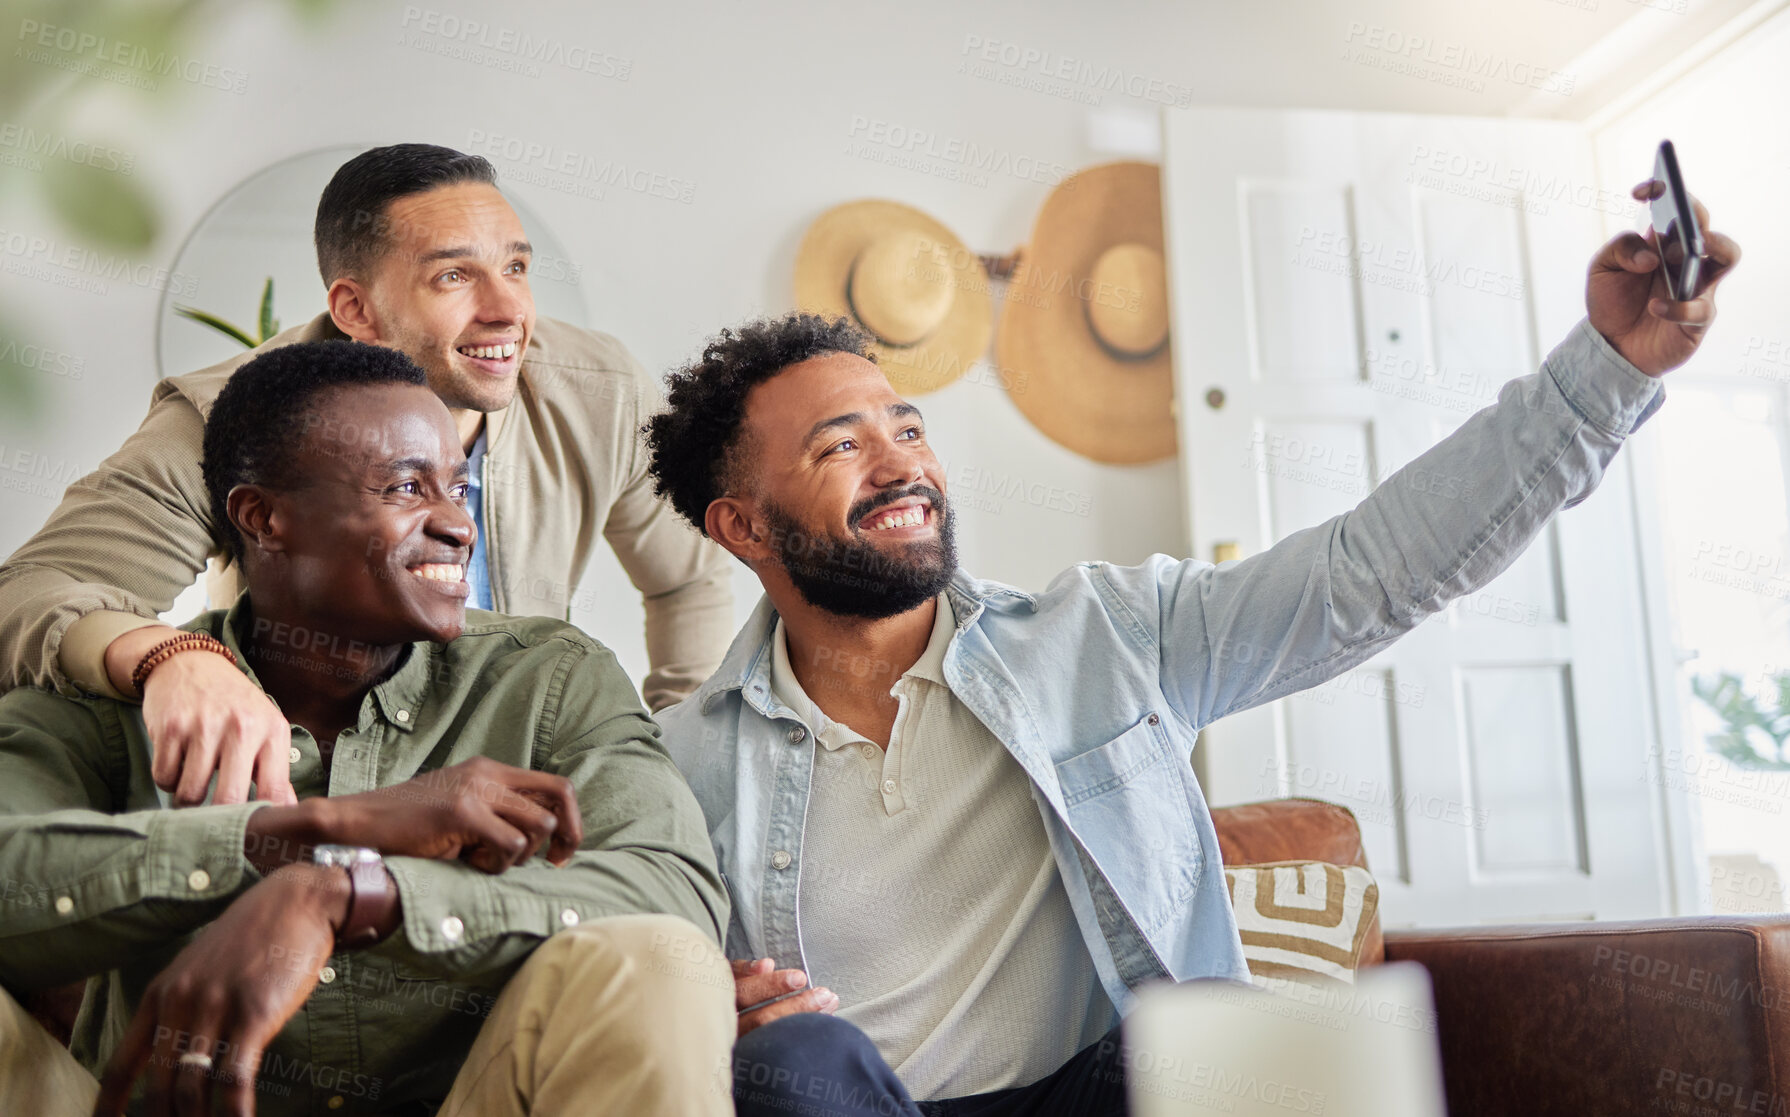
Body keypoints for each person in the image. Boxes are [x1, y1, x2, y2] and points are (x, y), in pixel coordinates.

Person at [644, 186, 1739, 1114]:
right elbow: (616, 978)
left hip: (1100, 1090)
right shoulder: (675, 762)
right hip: (866, 1101)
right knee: (784, 1060)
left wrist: (1606, 369)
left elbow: (1378, 568)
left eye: (907, 426)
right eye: (842, 445)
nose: (900, 465)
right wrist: (696, 999)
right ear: (740, 527)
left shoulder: (1107, 637)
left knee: (1206, 1036)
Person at [0, 340, 735, 1116]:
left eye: (458, 487)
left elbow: (673, 889)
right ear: (264, 518)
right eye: (406, 487)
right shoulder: (120, 698)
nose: (458, 524)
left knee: (655, 957)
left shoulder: (548, 678)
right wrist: (296, 832)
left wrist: (354, 890)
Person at [0, 142, 733, 810]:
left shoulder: (598, 388)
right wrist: (171, 653)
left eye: (515, 267)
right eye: (454, 275)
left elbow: (685, 579)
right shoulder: (227, 417)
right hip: (301, 795)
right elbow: (34, 595)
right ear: (356, 308)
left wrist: (664, 767)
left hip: (517, 806)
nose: (511, 310)